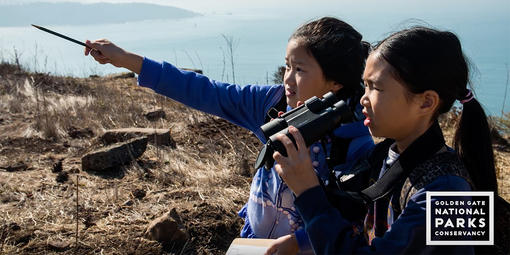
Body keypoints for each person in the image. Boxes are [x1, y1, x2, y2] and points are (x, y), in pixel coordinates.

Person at [85, 17, 374, 253]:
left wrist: (298, 245)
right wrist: (125, 60)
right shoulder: (270, 105)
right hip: (250, 245)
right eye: (287, 65)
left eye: (299, 69)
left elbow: (354, 220)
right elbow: (206, 90)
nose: (287, 78)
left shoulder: (354, 140)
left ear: (335, 82)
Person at [270, 26, 499, 254]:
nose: (363, 99)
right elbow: (350, 212)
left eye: (376, 87)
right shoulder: (385, 156)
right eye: (365, 85)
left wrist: (308, 192)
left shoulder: (446, 195)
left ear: (426, 102)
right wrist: (302, 240)